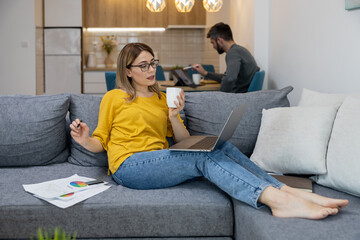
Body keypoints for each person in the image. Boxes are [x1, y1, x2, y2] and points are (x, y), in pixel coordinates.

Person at [70, 42, 348, 220]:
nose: (151, 69)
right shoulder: (114, 97)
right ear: (128, 71)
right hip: (128, 167)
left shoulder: (161, 97)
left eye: (153, 63)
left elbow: (180, 140)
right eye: (143, 65)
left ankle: (286, 189)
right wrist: (84, 139)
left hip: (160, 158)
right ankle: (277, 201)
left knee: (215, 145)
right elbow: (100, 143)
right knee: (201, 157)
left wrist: (174, 116)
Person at [192, 22, 260, 93]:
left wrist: (220, 97)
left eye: (213, 43)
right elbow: (226, 77)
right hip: (244, 97)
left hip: (238, 98)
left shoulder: (232, 53)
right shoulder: (239, 50)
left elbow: (229, 78)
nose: (213, 47)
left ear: (219, 41)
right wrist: (205, 73)